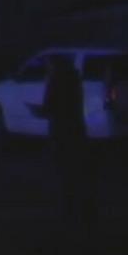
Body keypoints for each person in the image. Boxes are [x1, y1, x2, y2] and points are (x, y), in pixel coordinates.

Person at [43, 54, 94, 229]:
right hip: (76, 130)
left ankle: (69, 211)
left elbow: (50, 107)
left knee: (64, 172)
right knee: (78, 171)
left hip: (61, 131)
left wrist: (39, 111)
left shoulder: (55, 81)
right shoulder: (75, 80)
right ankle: (82, 212)